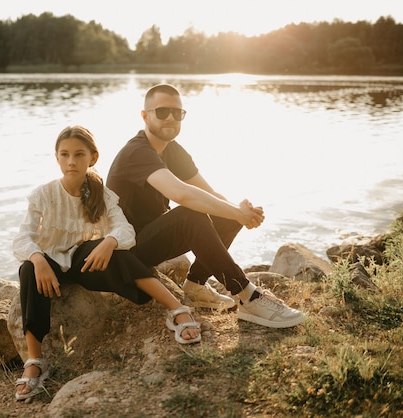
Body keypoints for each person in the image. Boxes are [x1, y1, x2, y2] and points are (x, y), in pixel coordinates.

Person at [12, 125, 202, 401]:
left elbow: (125, 231)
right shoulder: (44, 194)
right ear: (56, 158)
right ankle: (35, 362)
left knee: (118, 254)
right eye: (64, 155)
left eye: (79, 154)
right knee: (27, 269)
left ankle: (177, 309)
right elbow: (22, 238)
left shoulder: (103, 194)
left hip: (85, 264)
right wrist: (37, 257)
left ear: (93, 157)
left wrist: (109, 242)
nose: (71, 161)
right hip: (49, 266)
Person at [106, 83, 305, 329]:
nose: (170, 117)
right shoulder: (137, 152)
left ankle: (196, 287)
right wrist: (236, 212)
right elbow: (182, 194)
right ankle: (246, 295)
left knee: (223, 210)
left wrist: (240, 213)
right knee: (193, 213)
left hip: (152, 237)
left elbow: (207, 193)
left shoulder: (172, 150)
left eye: (177, 113)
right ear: (145, 116)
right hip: (126, 248)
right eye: (162, 112)